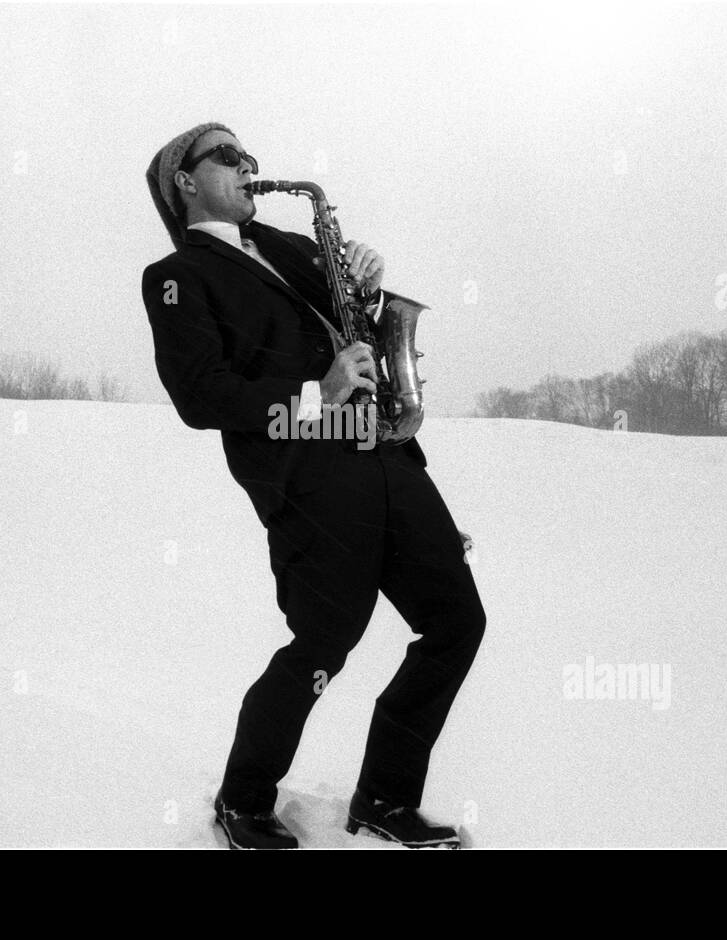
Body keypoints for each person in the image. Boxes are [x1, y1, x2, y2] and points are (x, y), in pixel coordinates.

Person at [142, 122, 486, 849]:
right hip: (307, 473)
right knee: (323, 644)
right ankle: (243, 801)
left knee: (457, 622)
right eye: (228, 158)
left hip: (387, 460)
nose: (248, 168)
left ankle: (386, 798)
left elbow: (362, 335)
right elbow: (201, 396)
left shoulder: (294, 248)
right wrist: (312, 393)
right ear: (184, 179)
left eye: (250, 158)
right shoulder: (177, 277)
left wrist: (364, 280)